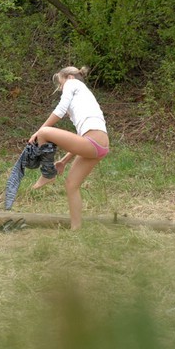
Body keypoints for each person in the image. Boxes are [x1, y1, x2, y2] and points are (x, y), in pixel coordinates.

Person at [29, 66, 109, 230]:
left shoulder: (72, 84)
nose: (61, 88)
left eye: (61, 83)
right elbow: (81, 138)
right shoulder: (84, 96)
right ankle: (76, 229)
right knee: (71, 185)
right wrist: (64, 161)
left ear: (69, 77)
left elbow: (60, 110)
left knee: (44, 132)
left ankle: (48, 173)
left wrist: (38, 131)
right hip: (98, 145)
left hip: (93, 142)